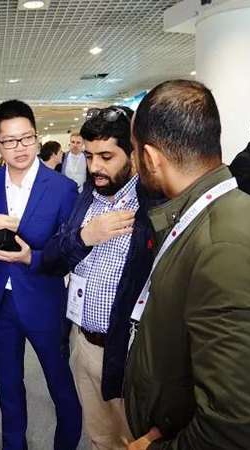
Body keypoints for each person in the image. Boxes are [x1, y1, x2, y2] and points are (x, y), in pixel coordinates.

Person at [124, 80, 250, 450]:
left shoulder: (226, 248)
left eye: (134, 150)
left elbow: (246, 431)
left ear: (151, 157)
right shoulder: (215, 213)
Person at [0, 100, 82, 450]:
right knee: (8, 390)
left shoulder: (61, 188)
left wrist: (31, 257)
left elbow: (68, 253)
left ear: (37, 137)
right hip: (1, 306)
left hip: (44, 302)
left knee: (61, 388)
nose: (20, 148)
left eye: (27, 138)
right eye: (10, 141)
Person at [42, 106, 157, 449]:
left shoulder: (153, 206)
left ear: (134, 154)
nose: (94, 167)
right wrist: (85, 237)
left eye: (106, 157)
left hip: (131, 356)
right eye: (90, 156)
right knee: (100, 439)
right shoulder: (86, 198)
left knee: (135, 440)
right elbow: (51, 259)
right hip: (84, 345)